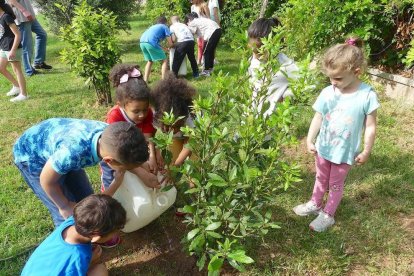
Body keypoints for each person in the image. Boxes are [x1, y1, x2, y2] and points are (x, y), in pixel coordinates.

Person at [293, 37, 380, 232]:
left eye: (338, 78)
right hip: (323, 148)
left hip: (344, 153)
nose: (333, 82)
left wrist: (366, 150)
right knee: (320, 177)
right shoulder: (328, 92)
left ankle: (328, 213)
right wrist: (309, 139)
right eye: (330, 78)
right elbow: (318, 117)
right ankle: (315, 203)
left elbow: (371, 126)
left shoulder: (367, 95)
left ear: (356, 72)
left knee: (335, 184)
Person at [13, 118, 149, 228]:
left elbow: (126, 161)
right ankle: (75, 244)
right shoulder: (72, 154)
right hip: (33, 157)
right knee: (67, 215)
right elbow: (46, 180)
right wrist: (64, 205)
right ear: (109, 160)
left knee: (87, 201)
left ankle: (94, 231)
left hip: (58, 144)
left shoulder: (114, 137)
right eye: (124, 168)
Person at [21, 194, 126, 276]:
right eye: (115, 232)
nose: (116, 234)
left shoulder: (71, 222)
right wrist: (89, 262)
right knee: (99, 270)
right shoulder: (78, 257)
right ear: (96, 236)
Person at [100, 63, 161, 194]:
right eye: (136, 111)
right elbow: (117, 152)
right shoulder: (114, 116)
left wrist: (152, 157)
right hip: (114, 156)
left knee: (138, 177)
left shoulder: (148, 113)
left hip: (134, 150)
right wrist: (141, 172)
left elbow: (148, 136)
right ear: (121, 105)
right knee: (112, 181)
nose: (142, 115)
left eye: (145, 109)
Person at [247, 18, 299, 117]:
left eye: (258, 51)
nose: (254, 55)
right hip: (248, 120)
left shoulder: (285, 65)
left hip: (268, 124)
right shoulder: (252, 60)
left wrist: (287, 95)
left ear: (271, 45)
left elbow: (307, 83)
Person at [151, 73, 196, 166]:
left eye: (177, 126)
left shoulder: (189, 116)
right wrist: (157, 151)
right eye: (169, 126)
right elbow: (151, 136)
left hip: (194, 138)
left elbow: (190, 144)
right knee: (170, 163)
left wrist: (176, 166)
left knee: (194, 168)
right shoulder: (156, 115)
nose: (173, 131)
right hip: (177, 139)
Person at [7, 0, 52, 76]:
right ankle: (29, 70)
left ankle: (38, 62)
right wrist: (24, 11)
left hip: (29, 15)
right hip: (22, 17)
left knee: (42, 34)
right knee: (26, 45)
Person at [0, 0, 27, 102]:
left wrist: (13, 50)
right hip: (4, 48)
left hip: (12, 48)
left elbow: (17, 34)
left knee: (17, 70)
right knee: (1, 68)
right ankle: (16, 87)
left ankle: (24, 94)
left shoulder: (6, 17)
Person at [185, 12, 221, 76]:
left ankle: (206, 71)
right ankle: (210, 68)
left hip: (212, 31)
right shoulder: (199, 20)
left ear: (189, 20)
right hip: (218, 30)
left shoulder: (192, 22)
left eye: (187, 21)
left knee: (205, 52)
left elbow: (191, 33)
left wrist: (187, 26)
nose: (188, 23)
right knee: (211, 51)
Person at [140, 15, 173, 82]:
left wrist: (164, 49)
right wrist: (171, 46)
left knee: (150, 61)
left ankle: (145, 80)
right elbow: (170, 42)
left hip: (142, 42)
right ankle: (163, 81)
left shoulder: (153, 27)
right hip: (150, 43)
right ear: (165, 22)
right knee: (165, 60)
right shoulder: (164, 26)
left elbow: (155, 43)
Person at [190, 0, 209, 65]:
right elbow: (192, 18)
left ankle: (204, 60)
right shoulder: (192, 7)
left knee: (204, 44)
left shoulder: (204, 5)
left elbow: (208, 17)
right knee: (199, 45)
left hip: (204, 27)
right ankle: (199, 60)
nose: (191, 1)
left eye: (192, 0)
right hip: (197, 28)